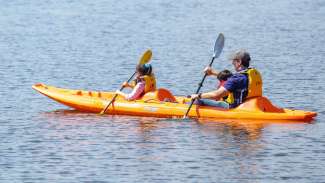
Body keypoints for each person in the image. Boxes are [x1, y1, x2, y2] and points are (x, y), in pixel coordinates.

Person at [191, 49, 263, 109]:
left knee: (198, 101)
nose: (232, 62)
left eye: (234, 61)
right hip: (252, 105)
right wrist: (213, 72)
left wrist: (198, 96)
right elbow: (233, 79)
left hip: (235, 108)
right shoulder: (253, 73)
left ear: (239, 62)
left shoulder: (236, 79)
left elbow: (217, 95)